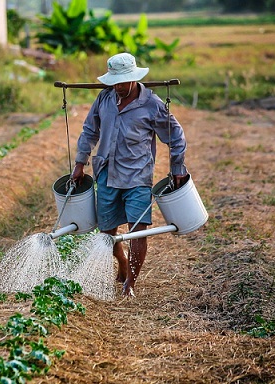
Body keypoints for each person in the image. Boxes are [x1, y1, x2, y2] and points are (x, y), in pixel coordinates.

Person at [71, 52, 188, 297]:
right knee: (107, 233)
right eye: (115, 82)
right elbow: (89, 131)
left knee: (138, 229)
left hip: (138, 176)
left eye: (123, 82)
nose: (119, 87)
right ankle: (122, 262)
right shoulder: (104, 99)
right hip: (106, 173)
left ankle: (130, 284)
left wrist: (177, 167)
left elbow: (176, 136)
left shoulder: (152, 104)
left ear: (134, 78)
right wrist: (80, 163)